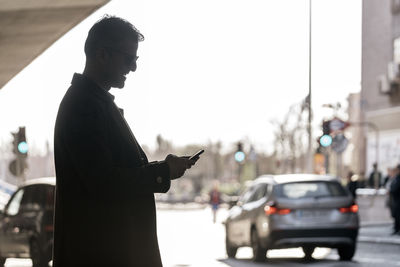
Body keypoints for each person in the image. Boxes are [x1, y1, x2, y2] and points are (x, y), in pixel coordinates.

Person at [53, 16, 199, 267]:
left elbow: (110, 173)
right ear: (102, 55)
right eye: (128, 58)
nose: (133, 67)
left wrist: (165, 168)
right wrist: (162, 171)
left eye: (136, 59)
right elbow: (104, 182)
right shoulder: (85, 106)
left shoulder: (92, 102)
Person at [390, 164, 400, 235]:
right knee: (396, 215)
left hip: (398, 199)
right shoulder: (396, 177)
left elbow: (395, 188)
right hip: (396, 199)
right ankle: (396, 228)